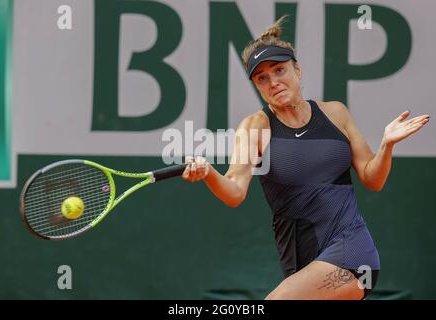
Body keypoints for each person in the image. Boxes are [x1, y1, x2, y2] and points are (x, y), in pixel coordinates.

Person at [182, 16, 430, 300]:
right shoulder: (254, 127)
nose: (273, 81)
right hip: (302, 264)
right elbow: (234, 192)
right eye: (262, 78)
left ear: (297, 70)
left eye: (279, 70)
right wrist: (209, 173)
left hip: (354, 256)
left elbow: (372, 179)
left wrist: (386, 145)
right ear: (257, 85)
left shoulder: (336, 113)